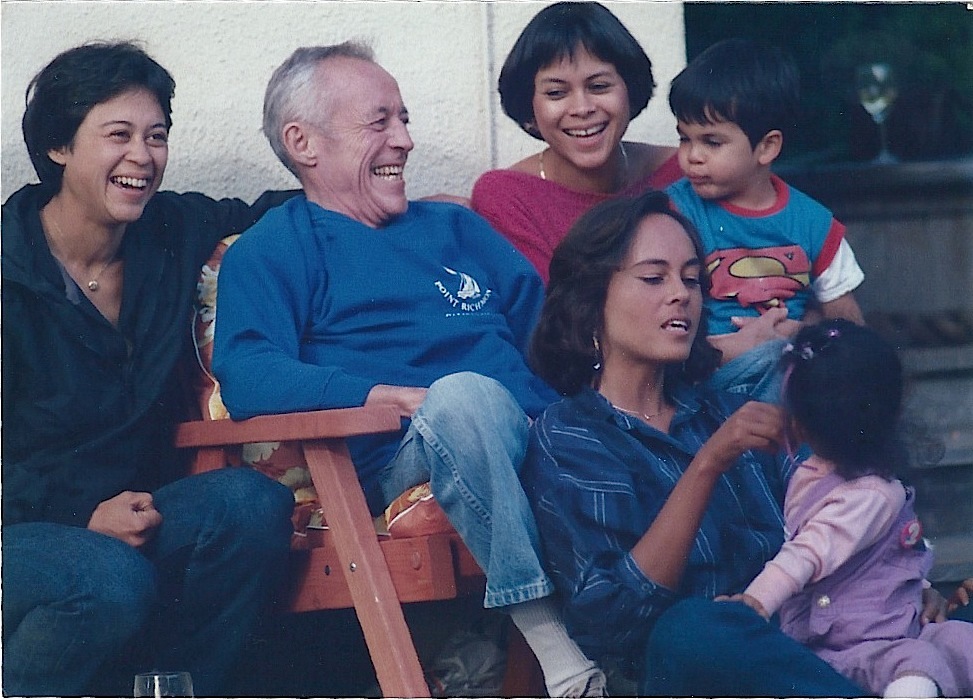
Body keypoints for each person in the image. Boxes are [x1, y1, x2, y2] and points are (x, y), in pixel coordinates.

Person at [212, 42, 607, 698]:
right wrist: (388, 397)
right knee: (462, 398)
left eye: (404, 119)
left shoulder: (455, 229)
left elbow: (555, 340)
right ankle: (552, 642)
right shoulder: (275, 247)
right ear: (303, 143)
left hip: (537, 434)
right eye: (379, 123)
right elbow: (248, 371)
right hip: (405, 454)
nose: (405, 140)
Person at [1, 42, 296, 697]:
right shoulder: (8, 271)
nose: (143, 156)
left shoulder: (168, 233)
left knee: (249, 506)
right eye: (118, 135)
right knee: (107, 575)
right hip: (20, 535)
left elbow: (283, 210)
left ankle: (171, 688)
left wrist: (404, 206)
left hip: (127, 520)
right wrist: (81, 518)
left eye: (156, 135)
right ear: (58, 147)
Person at [522, 189, 865, 696]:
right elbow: (616, 622)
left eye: (691, 279)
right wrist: (707, 465)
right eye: (653, 277)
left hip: (787, 651)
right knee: (692, 629)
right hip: (671, 673)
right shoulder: (567, 435)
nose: (681, 294)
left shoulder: (723, 414)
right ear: (592, 298)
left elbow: (824, 523)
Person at [733, 320, 973, 697]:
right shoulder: (869, 496)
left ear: (801, 422)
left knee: (961, 640)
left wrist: (920, 587)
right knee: (915, 665)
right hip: (850, 643)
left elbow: (885, 560)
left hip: (895, 623)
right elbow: (803, 554)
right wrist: (753, 605)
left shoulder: (834, 476)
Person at [666, 38, 866, 401]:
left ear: (767, 147)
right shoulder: (674, 214)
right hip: (706, 379)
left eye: (711, 142)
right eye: (684, 139)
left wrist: (801, 334)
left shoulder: (813, 225)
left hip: (792, 376)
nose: (691, 156)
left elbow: (849, 329)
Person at [470, 1, 683, 285]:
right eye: (557, 93)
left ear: (630, 91)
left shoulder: (685, 171)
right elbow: (545, 318)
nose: (582, 108)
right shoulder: (507, 197)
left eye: (599, 87)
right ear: (529, 108)